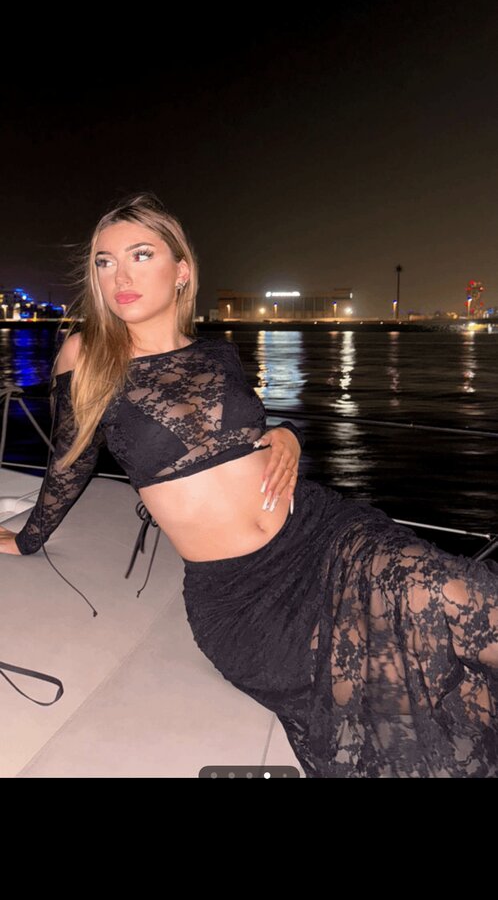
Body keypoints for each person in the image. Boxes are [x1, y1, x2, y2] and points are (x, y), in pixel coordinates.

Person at [2, 191, 498, 778]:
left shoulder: (219, 354)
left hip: (320, 533)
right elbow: (68, 463)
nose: (120, 277)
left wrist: (289, 434)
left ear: (181, 270)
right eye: (105, 262)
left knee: (456, 591)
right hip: (244, 596)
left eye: (141, 255)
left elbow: (247, 437)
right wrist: (27, 538)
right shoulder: (87, 355)